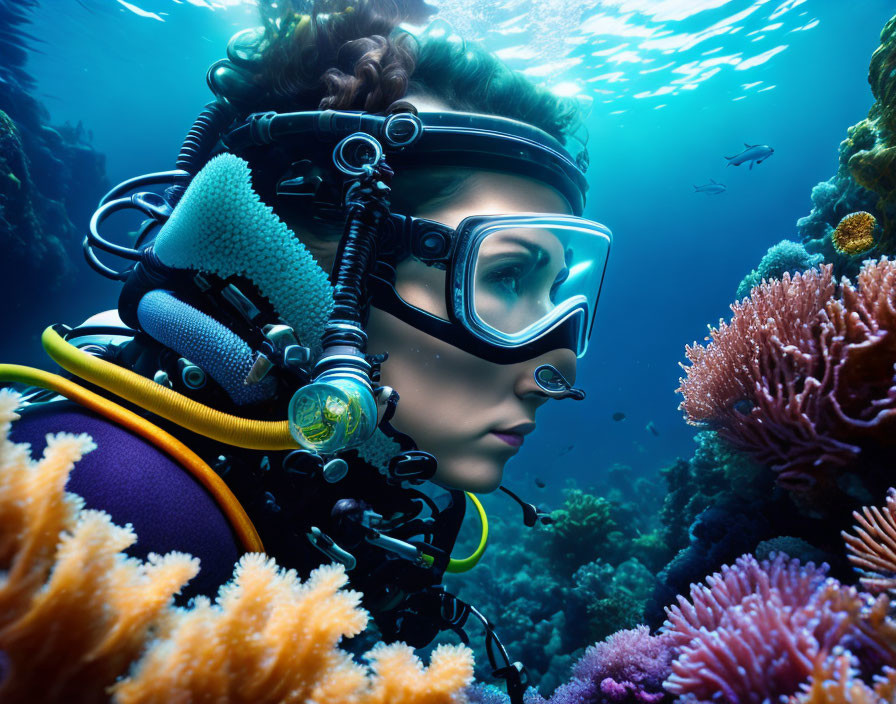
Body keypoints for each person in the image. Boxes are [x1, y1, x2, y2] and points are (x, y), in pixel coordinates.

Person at [2, 1, 610, 699]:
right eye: (505, 275)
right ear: (306, 264)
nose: (559, 364)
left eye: (555, 287)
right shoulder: (118, 515)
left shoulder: (347, 480)